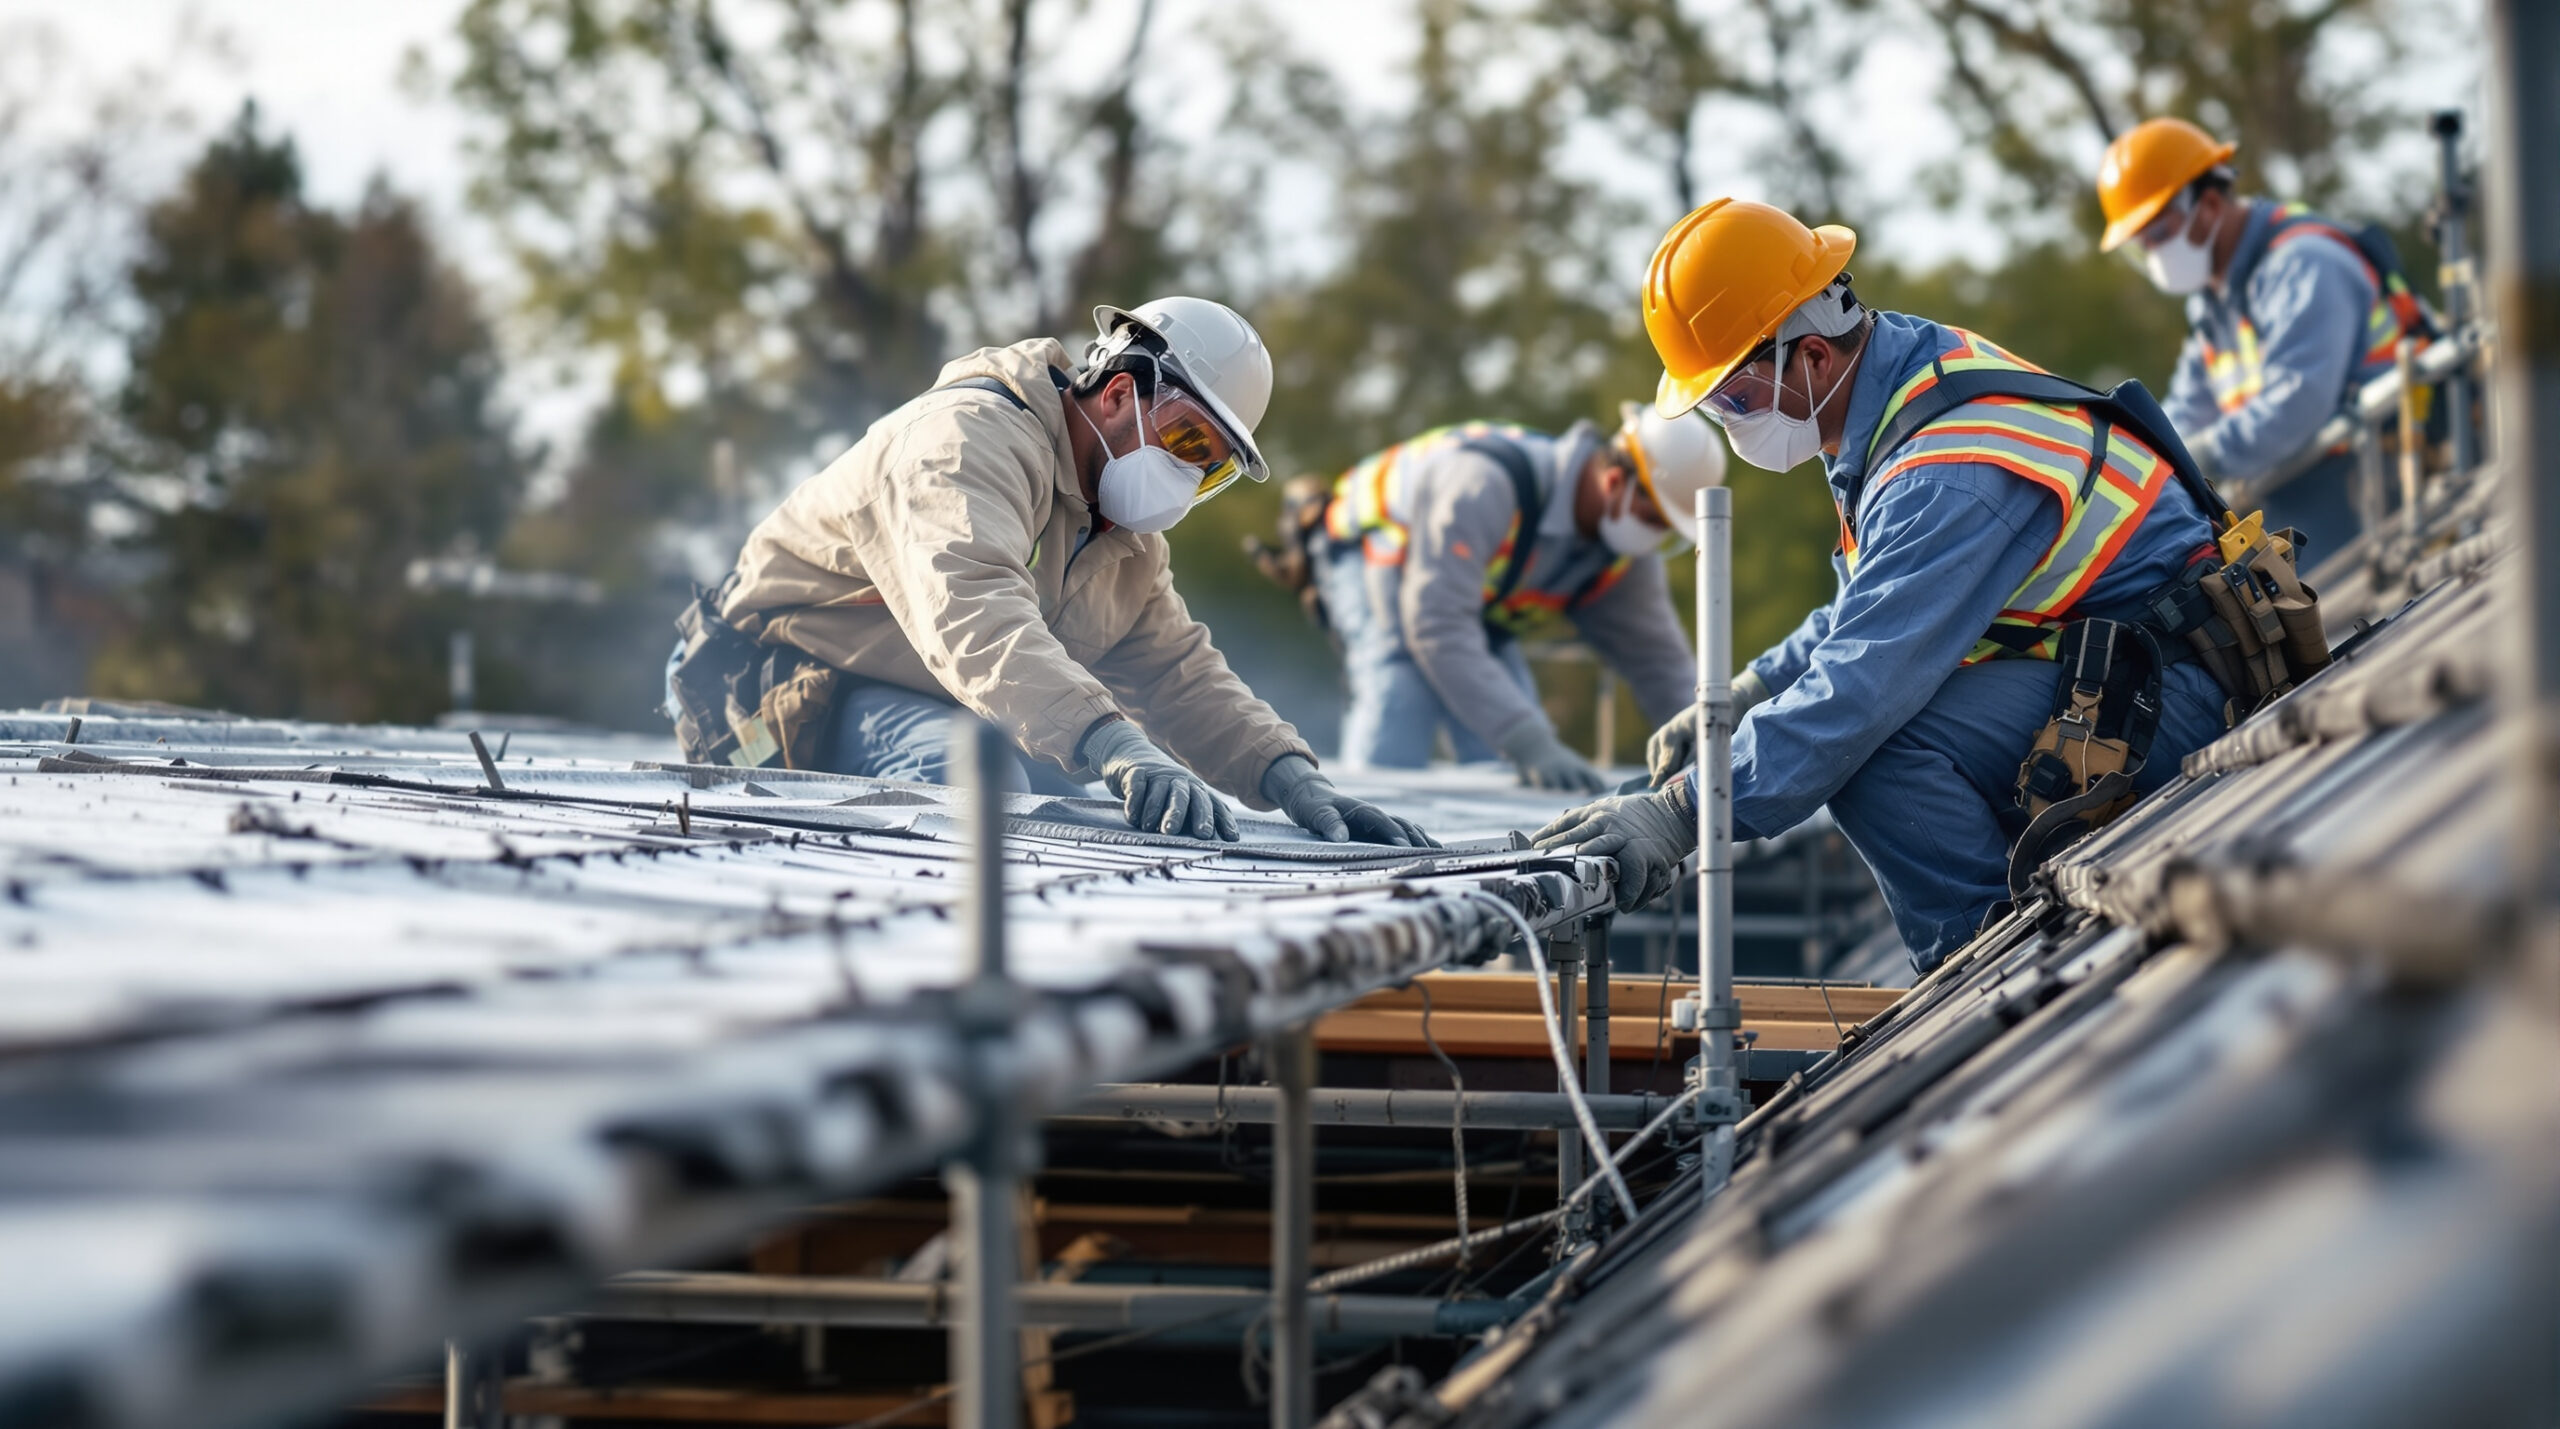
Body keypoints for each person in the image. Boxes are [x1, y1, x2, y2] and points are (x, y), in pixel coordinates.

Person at [1537, 199, 2229, 971]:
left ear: (1812, 358)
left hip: (2173, 696)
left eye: (1734, 398)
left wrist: (1682, 811)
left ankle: (1990, 965)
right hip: (2131, 670)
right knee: (1850, 729)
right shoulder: (1907, 381)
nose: (1732, 424)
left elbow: (1860, 689)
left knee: (1873, 753)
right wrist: (1754, 685)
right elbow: (1870, 602)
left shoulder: (1948, 470)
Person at [668, 297, 1432, 849]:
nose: (1188, 475)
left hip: (921, 692)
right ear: (1122, 391)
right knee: (985, 783)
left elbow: (1175, 672)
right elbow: (977, 616)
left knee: (1086, 811)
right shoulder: (962, 443)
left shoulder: (1118, 535)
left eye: (1211, 469)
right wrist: (1115, 743)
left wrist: (1293, 781)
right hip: (777, 686)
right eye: (1187, 441)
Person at [1314, 405, 1718, 790]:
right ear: (1614, 482)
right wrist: (1527, 741)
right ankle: (1367, 846)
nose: (1654, 538)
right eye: (1653, 520)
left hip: (1468, 602)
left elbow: (1661, 664)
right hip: (1379, 544)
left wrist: (1713, 753)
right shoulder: (1484, 484)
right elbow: (1436, 625)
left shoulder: (1624, 555)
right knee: (1404, 692)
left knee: (1508, 744)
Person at [2096, 116, 2434, 561]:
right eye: (2143, 244)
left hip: (2390, 476)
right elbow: (2184, 413)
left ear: (2211, 205)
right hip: (2321, 486)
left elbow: (2300, 402)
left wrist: (2203, 456)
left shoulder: (2303, 264)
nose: (2155, 254)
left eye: (2160, 233)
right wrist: (2135, 467)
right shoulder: (2213, 304)